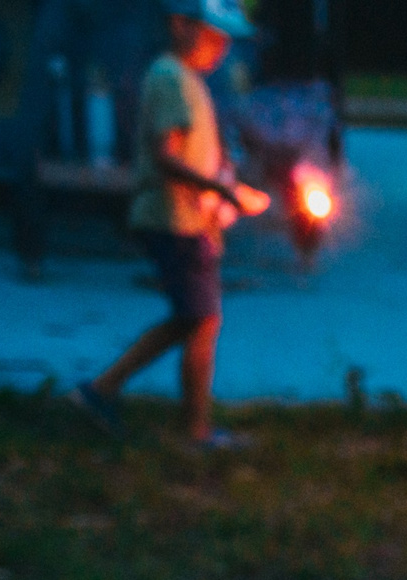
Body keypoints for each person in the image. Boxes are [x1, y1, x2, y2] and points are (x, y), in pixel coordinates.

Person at [65, 0, 266, 448]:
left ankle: (105, 394)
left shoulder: (184, 79)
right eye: (212, 34)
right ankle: (163, 417)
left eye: (226, 37)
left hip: (187, 220)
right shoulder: (170, 78)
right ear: (179, 25)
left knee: (194, 319)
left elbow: (191, 150)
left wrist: (225, 182)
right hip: (172, 221)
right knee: (200, 319)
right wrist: (223, 191)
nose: (222, 45)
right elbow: (165, 155)